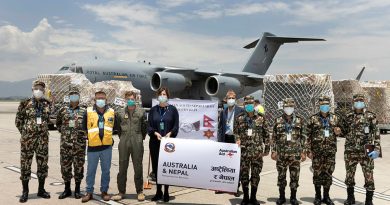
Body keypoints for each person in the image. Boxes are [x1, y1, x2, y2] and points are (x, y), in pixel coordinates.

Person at [15, 80, 51, 203]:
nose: (39, 91)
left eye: (41, 89)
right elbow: (18, 121)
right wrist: (26, 134)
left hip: (43, 141)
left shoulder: (47, 104)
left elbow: (48, 121)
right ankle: (25, 192)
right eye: (37, 88)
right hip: (27, 142)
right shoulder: (25, 103)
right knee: (25, 166)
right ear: (32, 89)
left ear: (44, 91)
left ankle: (41, 189)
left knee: (42, 166)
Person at [343, 94, 381, 205]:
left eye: (361, 100)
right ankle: (350, 198)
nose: (358, 102)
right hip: (351, 149)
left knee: (369, 175)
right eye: (356, 100)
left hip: (367, 148)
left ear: (364, 102)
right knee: (349, 175)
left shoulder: (370, 116)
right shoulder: (348, 116)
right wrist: (338, 131)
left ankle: (369, 200)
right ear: (353, 102)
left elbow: (376, 132)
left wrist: (377, 147)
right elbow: (343, 131)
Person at [81, 89, 117, 203]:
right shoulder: (88, 111)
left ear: (106, 100)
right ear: (94, 99)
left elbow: (114, 127)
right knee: (91, 171)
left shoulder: (111, 112)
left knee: (106, 171)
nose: (100, 100)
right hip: (93, 147)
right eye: (98, 98)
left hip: (106, 147)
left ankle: (104, 191)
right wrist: (90, 138)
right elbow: (83, 128)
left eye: (102, 98)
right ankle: (89, 192)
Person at [306, 96, 342, 205]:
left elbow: (341, 132)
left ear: (329, 105)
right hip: (317, 152)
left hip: (330, 152)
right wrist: (308, 150)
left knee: (328, 174)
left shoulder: (335, 118)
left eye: (326, 104)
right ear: (319, 105)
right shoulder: (313, 118)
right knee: (317, 174)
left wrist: (338, 132)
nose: (324, 106)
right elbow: (307, 135)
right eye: (322, 104)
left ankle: (326, 196)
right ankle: (317, 196)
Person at [234, 96, 270, 205]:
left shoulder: (261, 118)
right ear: (244, 105)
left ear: (254, 104)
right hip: (244, 152)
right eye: (247, 104)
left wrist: (267, 149)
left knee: (255, 175)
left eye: (251, 103)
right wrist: (237, 139)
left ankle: (253, 197)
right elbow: (235, 132)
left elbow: (266, 134)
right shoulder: (239, 118)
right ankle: (245, 197)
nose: (249, 105)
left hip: (257, 152)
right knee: (244, 175)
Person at [112, 91, 147, 202]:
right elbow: (117, 127)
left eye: (132, 98)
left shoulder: (141, 112)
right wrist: (123, 137)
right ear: (125, 100)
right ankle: (121, 191)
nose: (130, 101)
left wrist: (140, 138)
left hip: (137, 140)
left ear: (135, 99)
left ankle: (140, 191)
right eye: (128, 99)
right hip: (124, 140)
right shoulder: (120, 113)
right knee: (122, 166)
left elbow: (144, 127)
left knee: (138, 166)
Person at [271, 98, 306, 205]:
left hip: (295, 155)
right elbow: (274, 137)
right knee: (281, 176)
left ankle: (293, 197)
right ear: (283, 107)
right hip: (281, 154)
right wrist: (273, 150)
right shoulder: (277, 120)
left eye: (291, 106)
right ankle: (281, 197)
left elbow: (304, 137)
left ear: (294, 107)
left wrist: (303, 151)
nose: (289, 108)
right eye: (286, 106)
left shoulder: (300, 120)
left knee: (294, 176)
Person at [147, 87, 179, 202]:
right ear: (158, 96)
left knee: (166, 167)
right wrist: (155, 133)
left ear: (167, 96)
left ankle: (166, 191)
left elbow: (176, 126)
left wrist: (170, 134)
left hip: (168, 144)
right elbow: (149, 126)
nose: (162, 96)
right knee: (156, 168)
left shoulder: (173, 110)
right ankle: (158, 191)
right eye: (160, 94)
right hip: (155, 142)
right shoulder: (153, 110)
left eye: (164, 94)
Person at [56, 87, 87, 199]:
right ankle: (67, 189)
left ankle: (77, 190)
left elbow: (88, 125)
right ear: (69, 96)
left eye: (76, 94)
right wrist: (65, 134)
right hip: (65, 145)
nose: (74, 96)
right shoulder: (62, 110)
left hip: (79, 145)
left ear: (79, 96)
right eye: (72, 94)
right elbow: (58, 124)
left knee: (79, 167)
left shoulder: (84, 110)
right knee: (65, 167)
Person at [217, 90, 244, 196]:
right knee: (224, 164)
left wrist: (240, 138)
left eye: (233, 98)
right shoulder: (223, 112)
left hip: (235, 140)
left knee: (236, 165)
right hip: (225, 139)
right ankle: (222, 186)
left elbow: (244, 127)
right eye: (229, 98)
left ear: (235, 99)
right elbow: (220, 127)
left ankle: (235, 187)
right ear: (226, 99)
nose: (231, 100)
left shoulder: (240, 111)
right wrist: (219, 141)